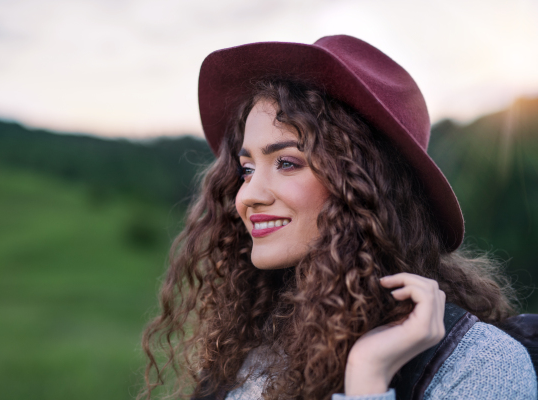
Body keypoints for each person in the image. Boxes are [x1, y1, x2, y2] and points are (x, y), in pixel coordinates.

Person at [140, 35, 537, 399]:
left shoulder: (478, 365)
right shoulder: (252, 349)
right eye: (247, 169)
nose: (248, 195)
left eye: (287, 162)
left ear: (366, 186)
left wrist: (367, 376)